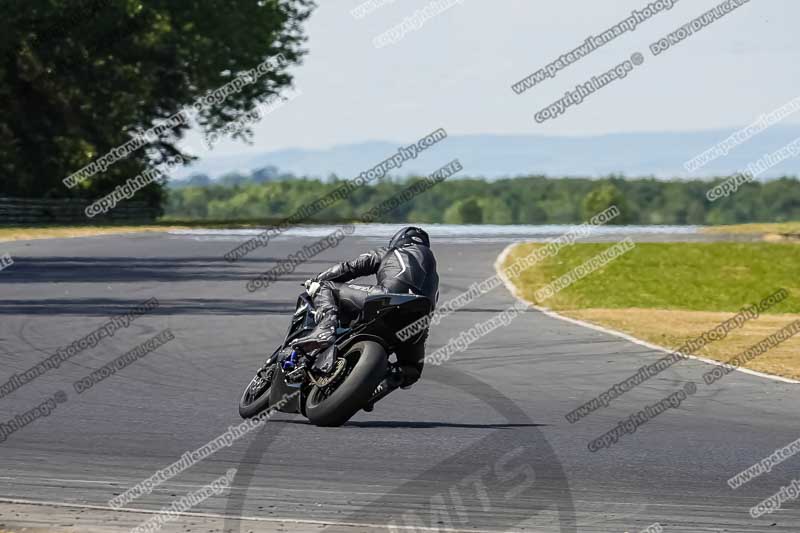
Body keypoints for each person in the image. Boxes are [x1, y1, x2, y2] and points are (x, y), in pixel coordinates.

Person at [292, 226, 439, 408]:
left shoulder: (394, 251)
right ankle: (376, 388)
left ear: (398, 240)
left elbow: (350, 268)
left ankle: (325, 329)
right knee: (411, 371)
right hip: (417, 324)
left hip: (387, 299)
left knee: (325, 286)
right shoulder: (435, 278)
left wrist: (315, 280)